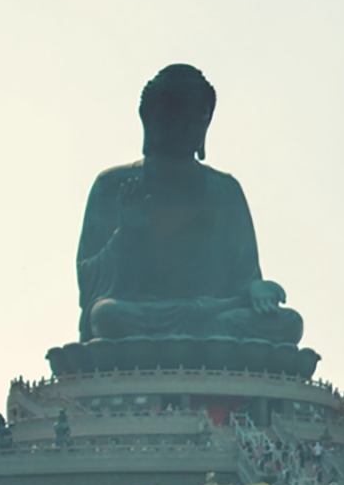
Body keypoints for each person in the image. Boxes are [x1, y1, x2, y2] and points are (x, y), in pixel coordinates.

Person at [75, 64, 303, 344]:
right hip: (142, 314)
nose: (186, 129)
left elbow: (244, 276)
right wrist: (127, 235)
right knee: (107, 316)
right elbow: (89, 281)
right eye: (175, 117)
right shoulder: (113, 185)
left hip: (216, 314)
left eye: (197, 119)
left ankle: (201, 335)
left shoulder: (226, 191)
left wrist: (256, 288)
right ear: (150, 119)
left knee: (289, 324)